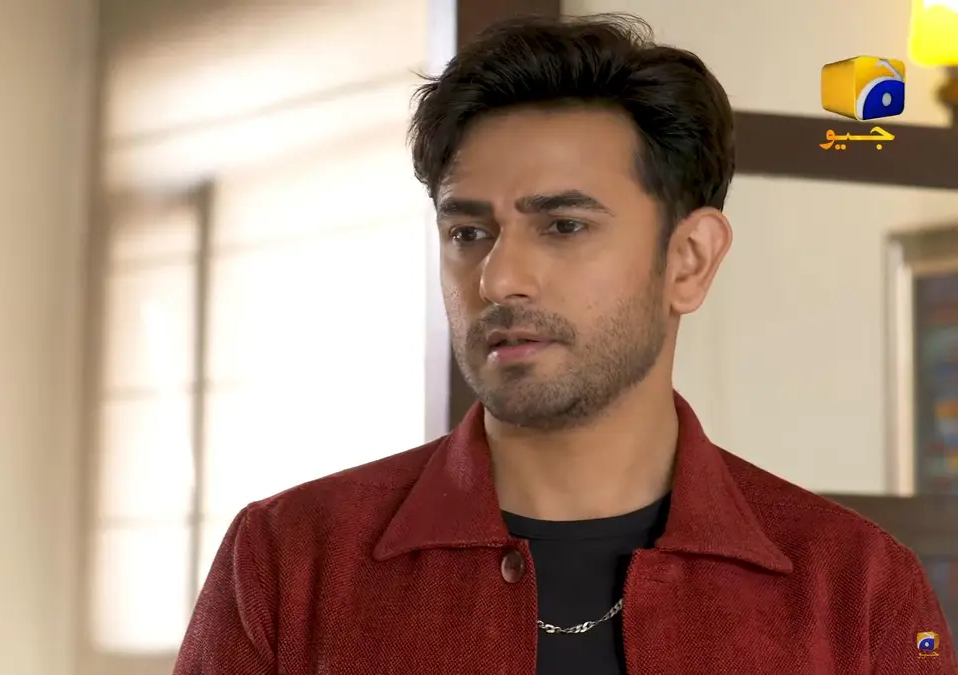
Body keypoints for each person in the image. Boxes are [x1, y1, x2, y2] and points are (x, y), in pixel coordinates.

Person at [174, 14, 956, 675]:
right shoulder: (287, 562)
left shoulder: (856, 590)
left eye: (564, 225)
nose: (499, 277)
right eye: (468, 232)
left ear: (689, 260)